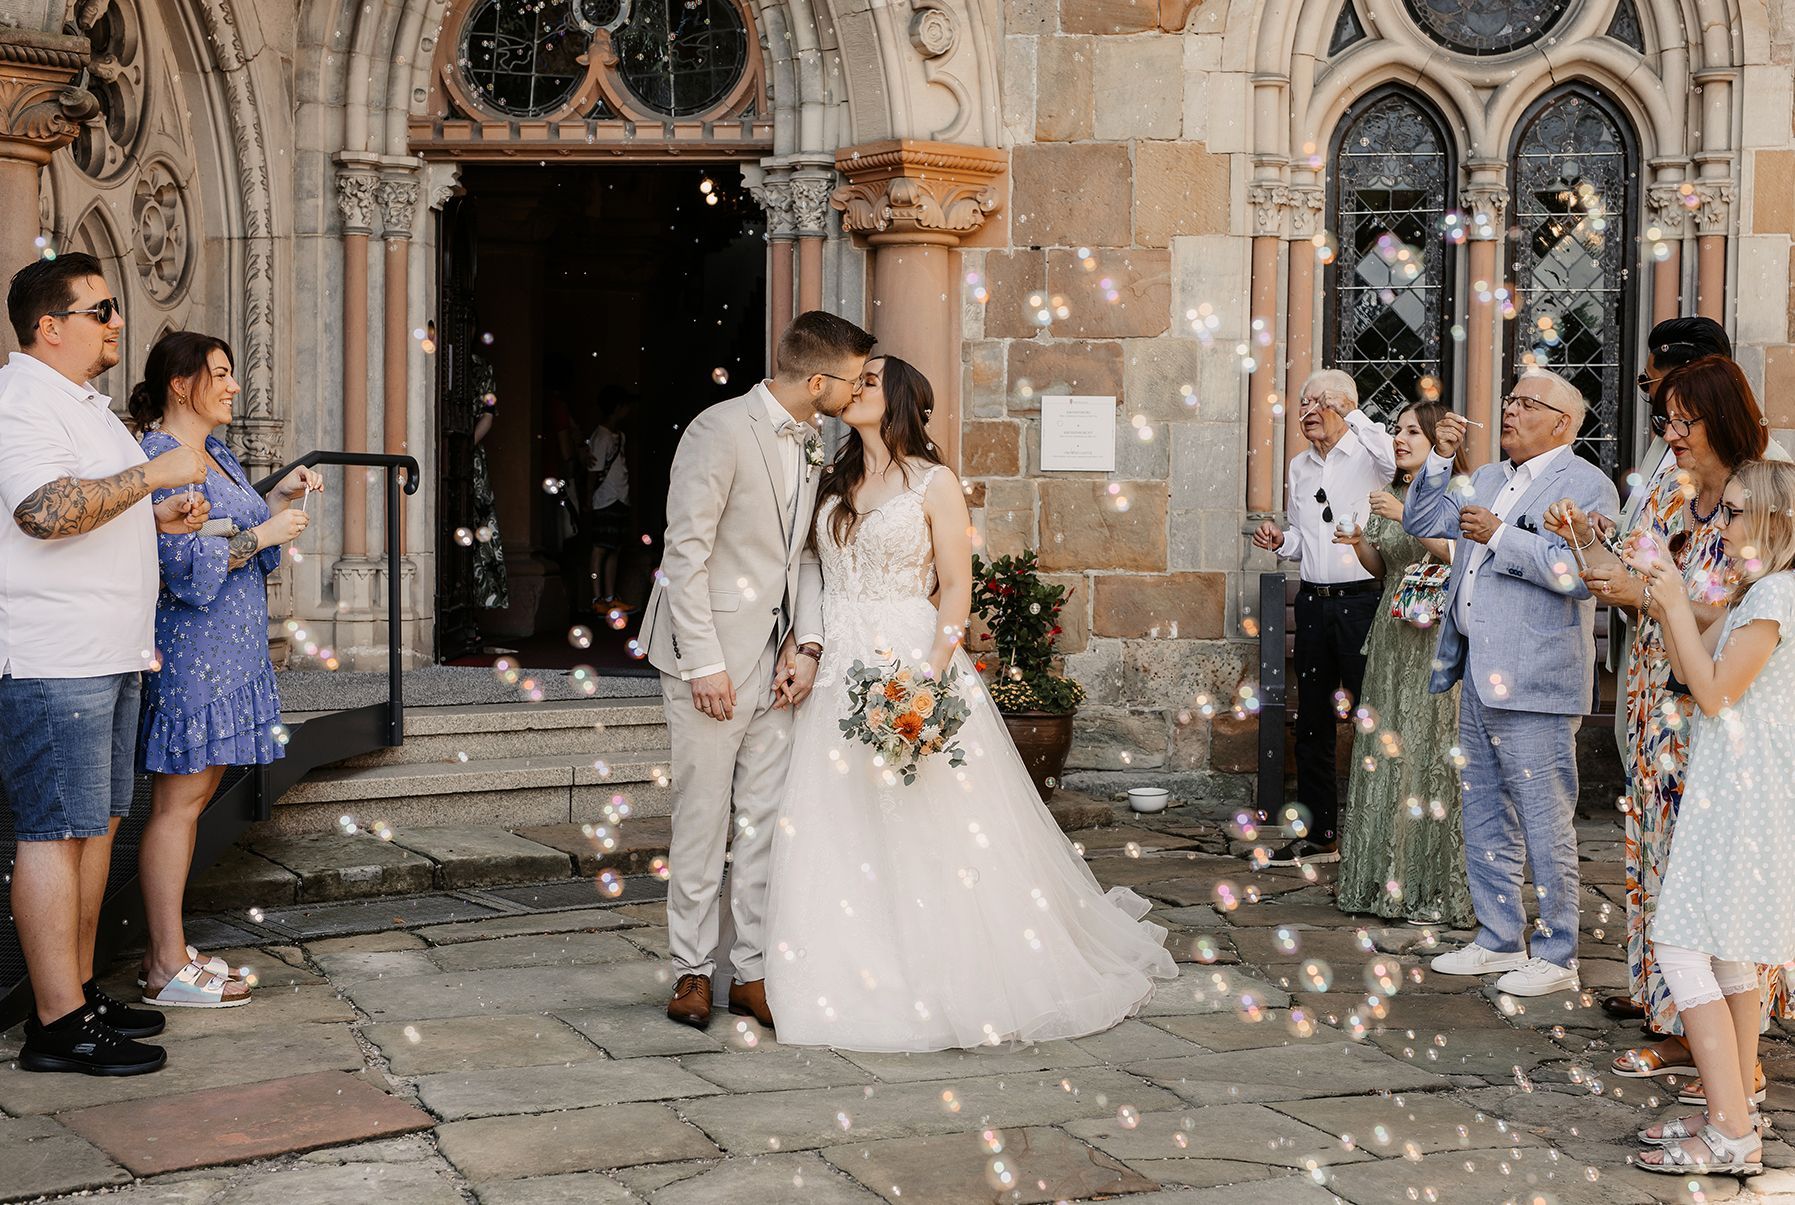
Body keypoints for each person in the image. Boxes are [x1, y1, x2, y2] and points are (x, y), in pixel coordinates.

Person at [762, 356, 1177, 1050]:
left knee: (926, 817)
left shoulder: (935, 482)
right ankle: (843, 963)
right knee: (837, 817)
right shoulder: (829, 480)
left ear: (896, 399)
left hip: (908, 655)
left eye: (867, 381)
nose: (853, 388)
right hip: (836, 661)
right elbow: (807, 569)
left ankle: (944, 966)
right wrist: (803, 645)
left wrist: (928, 680)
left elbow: (955, 586)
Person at [0, 255, 211, 1074]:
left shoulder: (79, 403)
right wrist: (152, 471)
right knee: (56, 833)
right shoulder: (21, 399)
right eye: (100, 309)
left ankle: (78, 992)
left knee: (94, 828)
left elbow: (89, 503)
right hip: (56, 656)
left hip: (108, 651)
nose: (117, 321)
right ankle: (55, 1025)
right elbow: (41, 510)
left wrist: (154, 514)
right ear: (49, 327)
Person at [640, 310, 873, 1030]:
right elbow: (685, 554)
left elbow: (802, 556)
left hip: (778, 668)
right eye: (855, 379)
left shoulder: (812, 445)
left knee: (767, 821)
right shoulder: (717, 430)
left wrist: (805, 646)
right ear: (817, 379)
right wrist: (704, 664)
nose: (860, 390)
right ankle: (689, 969)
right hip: (706, 662)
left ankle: (752, 971)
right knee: (703, 818)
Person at [1570, 356, 1789, 1093]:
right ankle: (1682, 1029)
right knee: (1665, 874)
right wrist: (1591, 547)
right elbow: (1640, 578)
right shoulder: (1670, 490)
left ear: (1719, 418)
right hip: (1657, 699)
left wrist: (1652, 592)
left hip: (1713, 710)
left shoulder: (1757, 497)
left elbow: (1722, 611)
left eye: (1680, 421)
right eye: (1661, 420)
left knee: (1715, 892)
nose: (1667, 434)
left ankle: (1736, 1062)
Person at [1404, 368, 1619, 997]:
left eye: (1526, 403)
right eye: (1509, 399)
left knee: (1544, 819)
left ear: (1562, 422)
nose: (1509, 411)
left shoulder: (1586, 485)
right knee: (1485, 811)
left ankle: (1558, 954)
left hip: (1538, 678)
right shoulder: (1492, 477)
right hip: (1476, 668)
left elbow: (1581, 575)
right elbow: (1422, 517)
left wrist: (1500, 536)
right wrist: (1441, 459)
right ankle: (1498, 938)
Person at [131, 332, 320, 1009]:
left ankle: (171, 952)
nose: (234, 385)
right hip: (192, 654)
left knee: (190, 801)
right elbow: (181, 565)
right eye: (220, 373)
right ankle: (162, 965)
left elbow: (229, 535)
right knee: (176, 807)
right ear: (181, 385)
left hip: (227, 655)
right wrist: (264, 535)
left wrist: (275, 502)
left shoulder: (216, 454)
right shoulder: (160, 456)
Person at [1625, 459, 1795, 1179]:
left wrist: (1669, 599)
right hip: (1731, 783)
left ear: (1771, 522)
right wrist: (1660, 587)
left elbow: (1714, 691)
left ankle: (1729, 1130)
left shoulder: (1775, 598)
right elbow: (1688, 646)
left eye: (1730, 512)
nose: (1717, 524)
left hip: (1744, 795)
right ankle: (1732, 1111)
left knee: (1682, 943)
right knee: (1725, 949)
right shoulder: (1757, 591)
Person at [1331, 402, 1474, 928]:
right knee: (1385, 752)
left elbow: (1462, 556)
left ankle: (1428, 883)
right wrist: (1362, 541)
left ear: (1438, 437)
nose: (1399, 438)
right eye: (1397, 429)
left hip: (1435, 637)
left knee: (1426, 752)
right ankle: (1376, 879)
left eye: (1413, 430)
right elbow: (1381, 567)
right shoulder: (1389, 490)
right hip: (1392, 637)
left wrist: (1406, 518)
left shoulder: (1457, 493)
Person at [1251, 369, 1397, 866]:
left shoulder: (1370, 456)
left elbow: (1394, 457)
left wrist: (1351, 413)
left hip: (1363, 602)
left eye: (1319, 401)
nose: (1309, 411)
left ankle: (1381, 834)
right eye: (1303, 403)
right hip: (1313, 600)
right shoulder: (1299, 467)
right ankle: (1321, 834)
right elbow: (1303, 540)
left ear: (1343, 404)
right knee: (1313, 720)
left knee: (1372, 718)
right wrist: (1281, 541)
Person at [585, 389, 633, 613]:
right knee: (600, 548)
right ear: (616, 408)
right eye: (625, 406)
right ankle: (597, 599)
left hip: (620, 497)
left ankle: (610, 596)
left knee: (614, 548)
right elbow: (592, 472)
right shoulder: (601, 436)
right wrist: (587, 501)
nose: (628, 410)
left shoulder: (620, 435)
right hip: (604, 498)